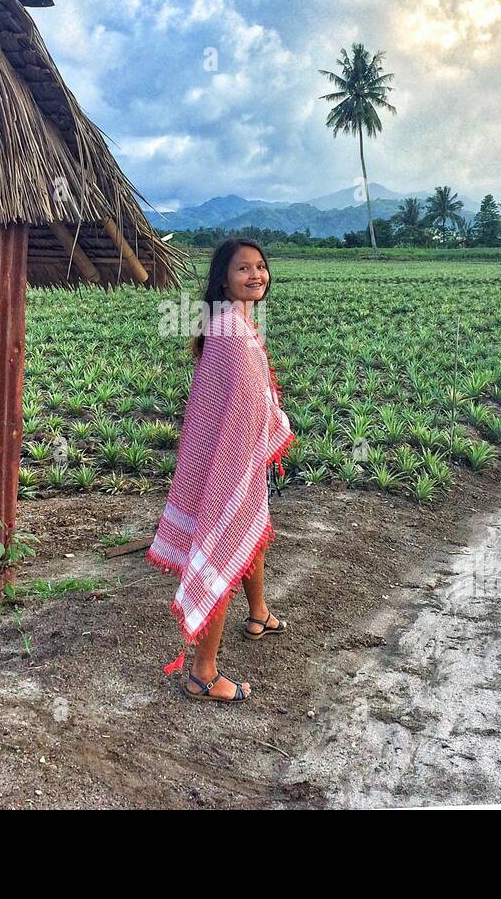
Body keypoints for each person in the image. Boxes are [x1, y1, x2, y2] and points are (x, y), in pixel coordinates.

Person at [146, 238, 294, 702]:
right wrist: (272, 429)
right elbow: (247, 405)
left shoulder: (232, 322)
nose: (255, 275)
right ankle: (202, 674)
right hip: (231, 463)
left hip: (232, 457)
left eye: (260, 267)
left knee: (254, 529)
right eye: (243, 269)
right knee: (226, 545)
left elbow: (241, 401)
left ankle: (259, 613)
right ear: (224, 279)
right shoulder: (232, 329)